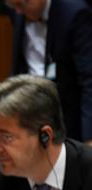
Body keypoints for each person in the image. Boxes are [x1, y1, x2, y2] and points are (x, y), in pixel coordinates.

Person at [7, 0, 92, 145]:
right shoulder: (18, 12)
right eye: (13, 5)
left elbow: (88, 80)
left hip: (65, 119)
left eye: (21, 4)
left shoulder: (74, 13)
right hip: (30, 117)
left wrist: (89, 137)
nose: (18, 11)